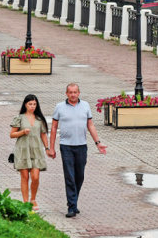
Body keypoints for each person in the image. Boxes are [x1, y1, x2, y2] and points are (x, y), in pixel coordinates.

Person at [48, 83, 107, 218]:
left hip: (81, 146)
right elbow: (53, 128)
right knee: (70, 176)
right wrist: (51, 147)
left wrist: (98, 143)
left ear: (79, 93)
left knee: (79, 176)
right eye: (70, 92)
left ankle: (74, 201)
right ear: (66, 94)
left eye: (75, 92)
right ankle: (72, 207)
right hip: (66, 146)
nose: (73, 94)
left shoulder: (85, 106)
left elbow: (90, 124)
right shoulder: (59, 107)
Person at [10, 94, 49, 211]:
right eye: (30, 104)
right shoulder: (19, 118)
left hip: (36, 150)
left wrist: (47, 148)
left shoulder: (39, 119)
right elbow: (12, 134)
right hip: (22, 150)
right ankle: (26, 202)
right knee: (25, 177)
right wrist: (22, 132)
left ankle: (33, 198)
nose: (32, 106)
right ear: (25, 105)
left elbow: (43, 134)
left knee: (35, 177)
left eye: (34, 104)